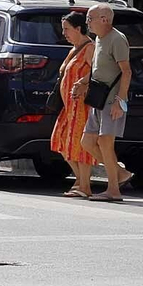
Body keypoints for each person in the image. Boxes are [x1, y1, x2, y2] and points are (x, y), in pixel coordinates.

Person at [75, 3, 133, 202]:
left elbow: (126, 71)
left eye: (90, 19)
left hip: (111, 100)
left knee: (105, 143)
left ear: (104, 20)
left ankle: (114, 190)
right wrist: (84, 82)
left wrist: (120, 101)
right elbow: (98, 69)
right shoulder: (99, 39)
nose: (87, 23)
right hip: (98, 99)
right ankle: (119, 173)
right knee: (87, 142)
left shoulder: (117, 39)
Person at [51, 11, 97, 199]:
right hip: (69, 106)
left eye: (67, 29)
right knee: (60, 141)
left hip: (81, 105)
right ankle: (80, 180)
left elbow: (97, 71)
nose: (64, 33)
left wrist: (83, 82)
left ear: (79, 29)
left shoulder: (90, 48)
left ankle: (84, 185)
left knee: (80, 145)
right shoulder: (75, 49)